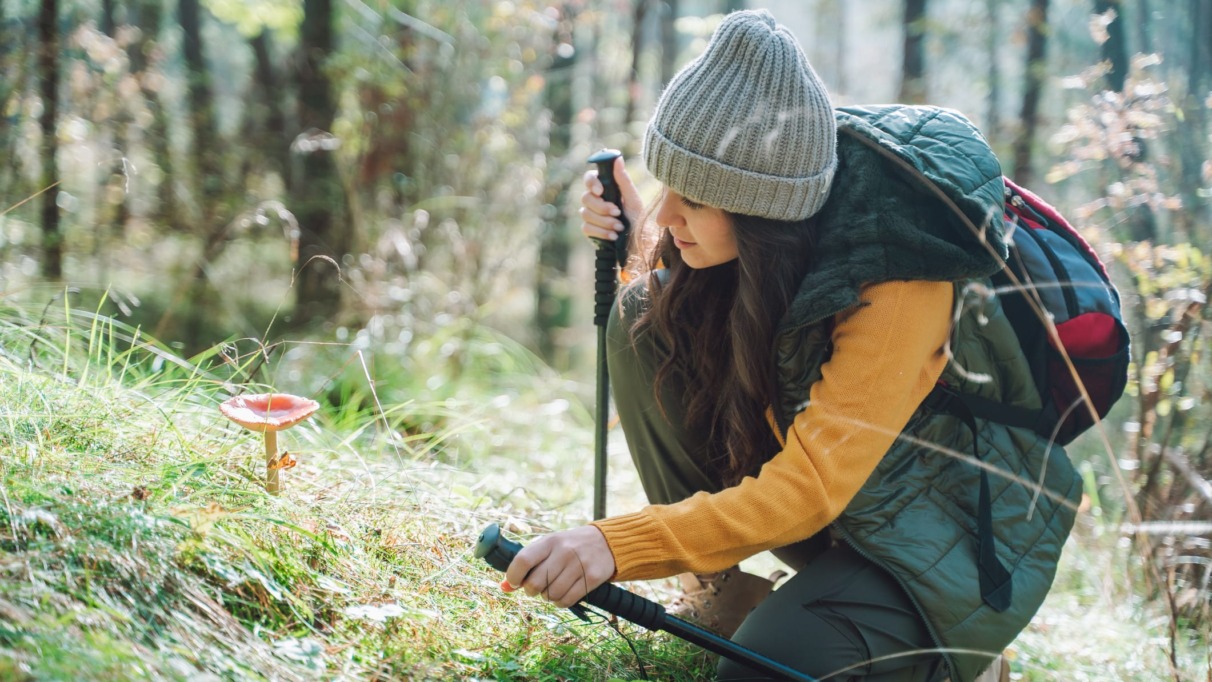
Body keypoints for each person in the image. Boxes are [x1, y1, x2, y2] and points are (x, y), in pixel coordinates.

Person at [503, 9, 1080, 682]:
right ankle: (721, 593)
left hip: (934, 536)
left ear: (759, 209)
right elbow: (740, 322)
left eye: (692, 198)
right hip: (851, 505)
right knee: (644, 311)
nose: (667, 215)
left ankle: (955, 662)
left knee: (763, 672)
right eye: (668, 187)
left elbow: (811, 487)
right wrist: (637, 242)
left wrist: (617, 544)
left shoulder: (900, 277)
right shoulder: (779, 234)